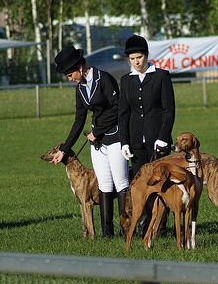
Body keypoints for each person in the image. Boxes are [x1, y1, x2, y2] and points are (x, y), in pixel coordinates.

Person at [51, 45, 129, 238]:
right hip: (97, 142)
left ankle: (124, 228)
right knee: (104, 185)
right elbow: (79, 121)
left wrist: (97, 131)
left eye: (70, 75)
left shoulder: (105, 79)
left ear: (79, 67)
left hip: (115, 137)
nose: (70, 79)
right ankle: (107, 233)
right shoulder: (80, 89)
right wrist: (64, 150)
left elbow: (117, 109)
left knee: (120, 183)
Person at [119, 34, 175, 235]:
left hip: (158, 141)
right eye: (133, 59)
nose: (136, 62)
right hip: (136, 142)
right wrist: (124, 142)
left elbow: (169, 110)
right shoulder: (126, 81)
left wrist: (163, 136)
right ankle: (145, 223)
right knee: (141, 184)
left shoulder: (161, 76)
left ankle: (161, 226)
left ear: (146, 55)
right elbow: (123, 114)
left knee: (161, 184)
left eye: (139, 58)